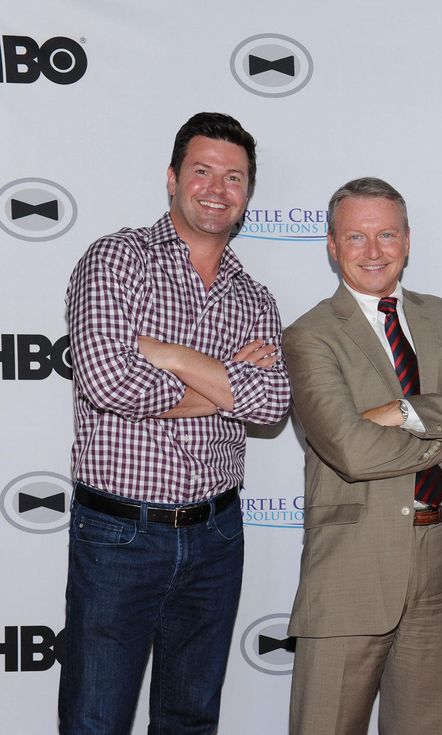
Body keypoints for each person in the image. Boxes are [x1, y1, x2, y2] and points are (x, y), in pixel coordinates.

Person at [59, 112, 290, 734]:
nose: (217, 189)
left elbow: (270, 404)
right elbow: (109, 382)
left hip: (218, 535)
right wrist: (225, 384)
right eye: (202, 171)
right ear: (172, 178)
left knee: (190, 719)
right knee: (95, 719)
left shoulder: (255, 297)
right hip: (118, 535)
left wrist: (169, 354)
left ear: (248, 193)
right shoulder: (116, 259)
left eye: (234, 177)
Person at [284, 176, 442, 735]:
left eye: (386, 234)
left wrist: (404, 410)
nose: (373, 251)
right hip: (352, 564)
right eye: (356, 237)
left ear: (408, 240)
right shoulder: (310, 335)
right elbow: (352, 451)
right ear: (332, 246)